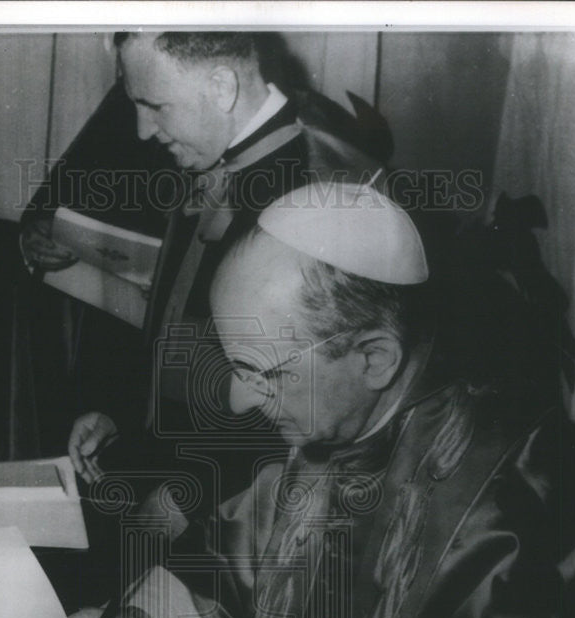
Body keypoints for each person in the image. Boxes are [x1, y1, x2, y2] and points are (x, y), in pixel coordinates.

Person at [33, 183, 575, 618]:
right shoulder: (349, 414)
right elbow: (243, 559)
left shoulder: (511, 498)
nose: (242, 400)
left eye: (260, 373)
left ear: (374, 357)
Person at [21, 31, 381, 499]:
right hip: (169, 464)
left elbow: (309, 408)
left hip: (238, 503)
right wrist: (123, 415)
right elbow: (182, 321)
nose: (142, 131)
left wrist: (188, 506)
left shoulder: (324, 188)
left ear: (221, 88)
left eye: (155, 106)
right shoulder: (217, 158)